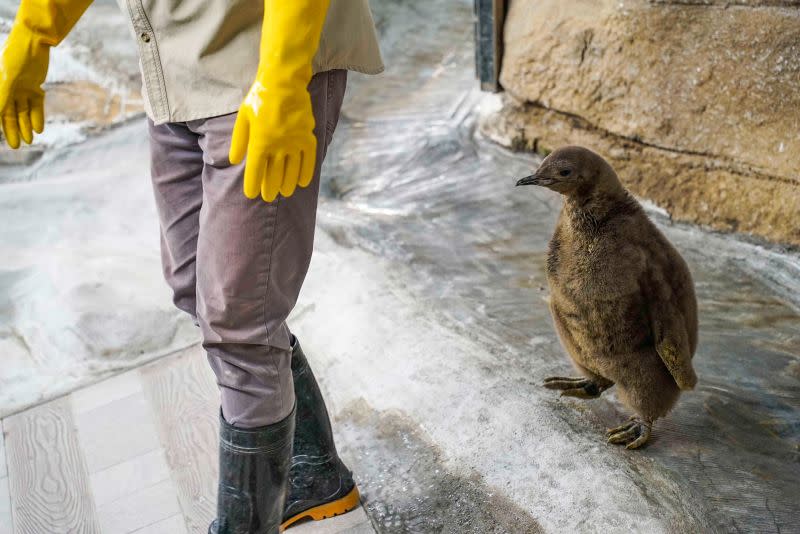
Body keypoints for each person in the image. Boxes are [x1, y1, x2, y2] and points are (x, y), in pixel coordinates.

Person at [0, 0, 383, 531]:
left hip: (266, 69)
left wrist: (282, 81)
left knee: (240, 325)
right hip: (178, 69)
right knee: (197, 288)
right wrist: (35, 32)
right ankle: (312, 475)